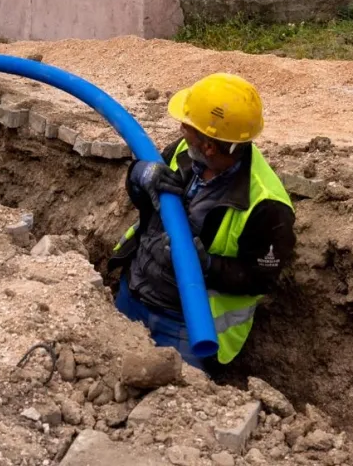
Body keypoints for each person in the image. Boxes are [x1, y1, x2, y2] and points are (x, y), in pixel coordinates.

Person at [110, 73, 296, 370]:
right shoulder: (185, 151)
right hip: (133, 292)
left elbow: (262, 279)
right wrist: (138, 175)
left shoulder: (267, 206)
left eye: (187, 126)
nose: (181, 129)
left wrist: (206, 264)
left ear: (209, 146)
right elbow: (147, 205)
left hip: (187, 326)